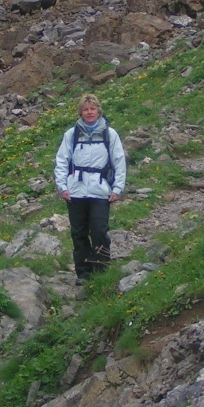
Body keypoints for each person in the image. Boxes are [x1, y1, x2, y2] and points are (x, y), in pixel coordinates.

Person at [54, 94, 127, 285]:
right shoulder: (71, 135)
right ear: (80, 113)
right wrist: (62, 186)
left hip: (101, 191)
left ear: (98, 111)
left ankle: (101, 270)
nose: (89, 112)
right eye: (85, 109)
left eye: (92, 108)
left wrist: (117, 188)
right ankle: (83, 273)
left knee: (99, 230)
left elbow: (119, 162)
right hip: (75, 191)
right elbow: (62, 161)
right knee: (78, 233)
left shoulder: (110, 134)